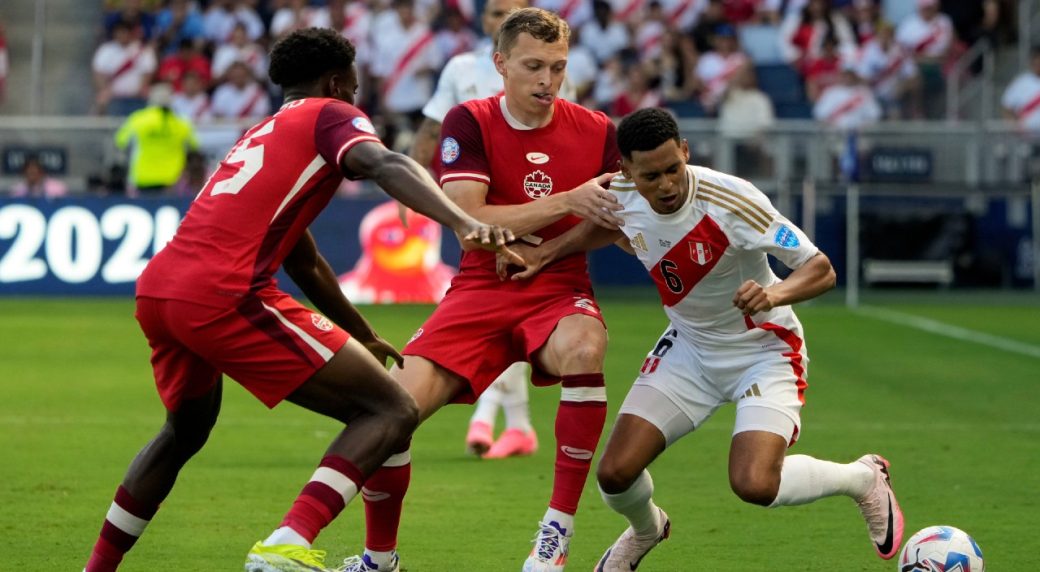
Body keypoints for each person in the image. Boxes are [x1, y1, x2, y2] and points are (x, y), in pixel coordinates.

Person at [82, 28, 517, 572]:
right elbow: (386, 165)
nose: (357, 101)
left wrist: (358, 332)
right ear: (336, 83)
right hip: (224, 293)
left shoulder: (263, 131)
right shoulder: (329, 114)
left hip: (161, 290)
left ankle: (96, 568)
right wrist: (463, 220)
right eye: (354, 89)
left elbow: (302, 259)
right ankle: (288, 541)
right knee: (392, 408)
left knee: (184, 430)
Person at [502, 107, 905, 571]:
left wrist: (774, 294)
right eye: (651, 176)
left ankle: (862, 478)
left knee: (754, 483)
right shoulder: (620, 193)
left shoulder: (732, 200)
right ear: (627, 170)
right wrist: (546, 253)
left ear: (686, 153)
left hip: (763, 350)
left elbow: (821, 269)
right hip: (689, 350)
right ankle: (647, 529)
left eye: (674, 169)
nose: (668, 185)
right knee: (614, 475)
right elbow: (609, 223)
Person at [344, 8, 624, 572]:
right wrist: (567, 200)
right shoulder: (467, 119)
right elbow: (470, 218)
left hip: (559, 286)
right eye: (534, 66)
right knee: (387, 409)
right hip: (479, 285)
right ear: (499, 63)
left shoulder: (597, 130)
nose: (548, 80)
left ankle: (556, 532)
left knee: (586, 347)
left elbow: (615, 221)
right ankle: (380, 558)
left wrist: (548, 250)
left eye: (558, 67)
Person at [408, 0, 541, 460]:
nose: (500, 20)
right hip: (471, 205)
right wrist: (410, 188)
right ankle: (515, 425)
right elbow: (429, 131)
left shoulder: (543, 68)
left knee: (504, 310)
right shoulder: (461, 67)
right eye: (492, 13)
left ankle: (491, 420)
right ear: (481, 22)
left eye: (510, 11)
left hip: (527, 204)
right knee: (505, 310)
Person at [114, 83, 199, 194]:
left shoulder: (138, 119)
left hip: (143, 177)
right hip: (172, 179)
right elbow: (195, 146)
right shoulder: (182, 122)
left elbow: (120, 141)